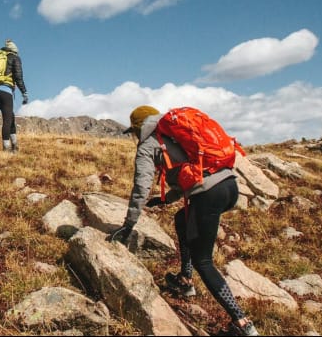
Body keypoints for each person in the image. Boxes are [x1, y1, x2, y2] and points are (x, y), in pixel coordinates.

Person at [109, 105, 259, 336]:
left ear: (138, 128)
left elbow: (141, 185)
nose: (134, 136)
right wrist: (166, 199)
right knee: (182, 219)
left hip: (209, 194)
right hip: (229, 186)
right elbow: (191, 171)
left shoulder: (148, 144)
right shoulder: (173, 132)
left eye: (133, 131)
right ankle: (185, 280)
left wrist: (129, 224)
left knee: (204, 261)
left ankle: (242, 323)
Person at [0, 39, 29, 152]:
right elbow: (18, 77)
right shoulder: (14, 58)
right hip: (5, 91)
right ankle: (6, 149)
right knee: (7, 119)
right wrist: (24, 93)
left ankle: (15, 146)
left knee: (11, 117)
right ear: (15, 51)